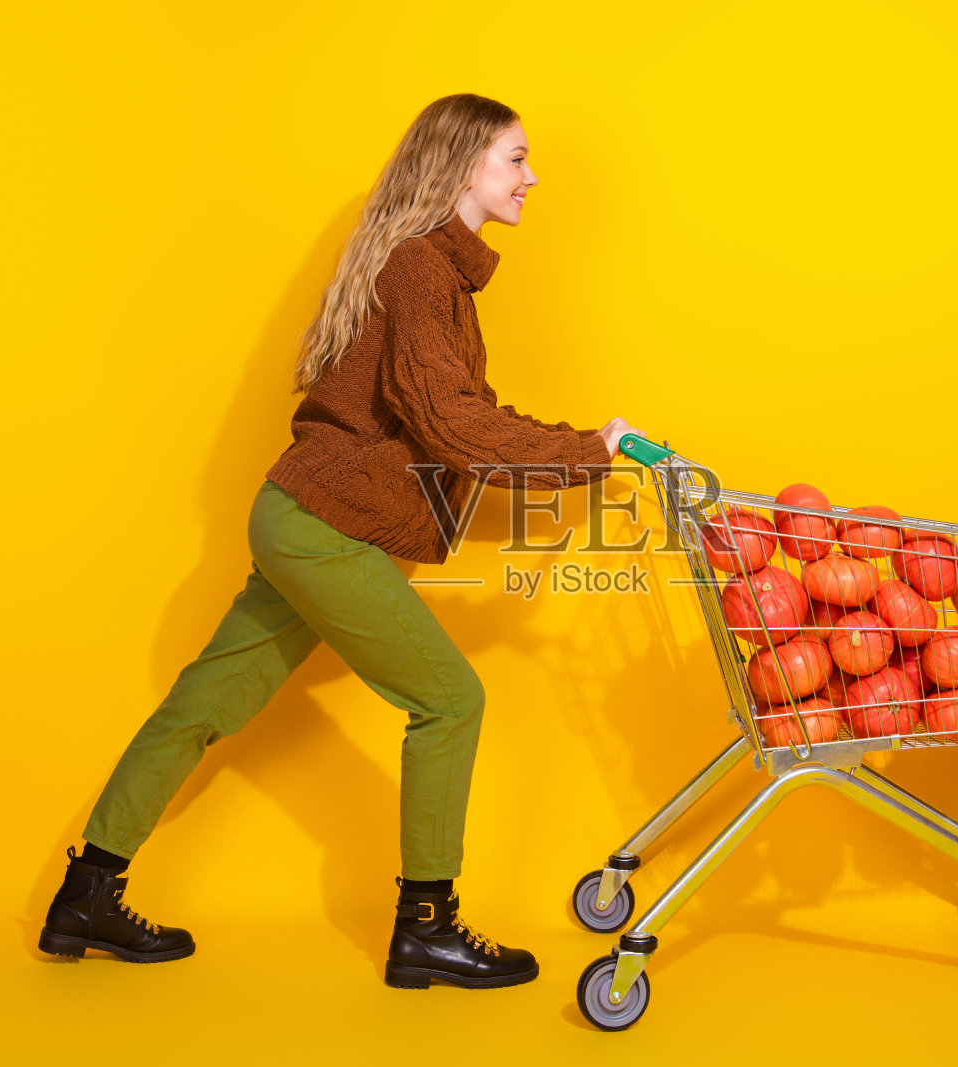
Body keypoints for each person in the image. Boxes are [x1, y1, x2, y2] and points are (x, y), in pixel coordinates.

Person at [37, 93, 644, 989]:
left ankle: (84, 894)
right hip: (324, 530)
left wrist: (581, 443)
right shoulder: (419, 270)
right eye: (517, 159)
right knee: (451, 701)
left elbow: (464, 412)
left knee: (202, 704)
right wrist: (583, 455)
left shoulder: (429, 272)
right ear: (463, 163)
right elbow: (450, 424)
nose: (533, 177)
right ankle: (427, 927)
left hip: (300, 518)